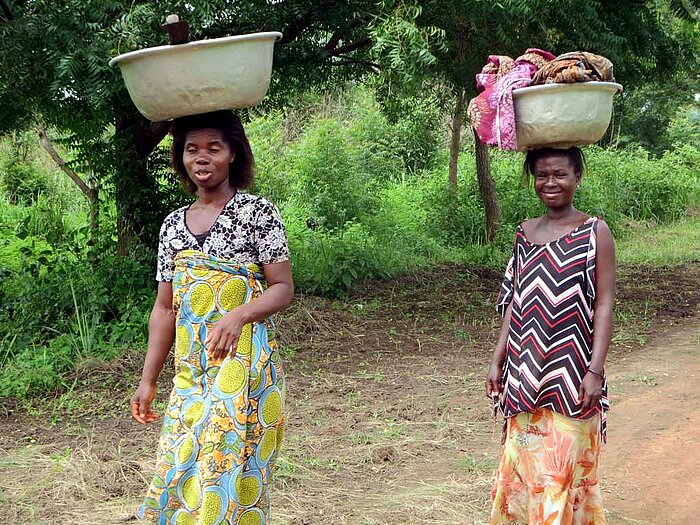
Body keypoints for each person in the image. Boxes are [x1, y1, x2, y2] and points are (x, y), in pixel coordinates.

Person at [130, 110, 294, 525]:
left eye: (213, 149)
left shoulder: (258, 213)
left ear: (233, 155)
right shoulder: (172, 227)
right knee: (180, 460)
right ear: (181, 159)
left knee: (227, 464)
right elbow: (165, 308)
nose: (201, 158)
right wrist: (149, 379)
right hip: (191, 371)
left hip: (243, 367)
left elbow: (282, 287)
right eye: (191, 150)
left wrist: (238, 315)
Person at [486, 147, 615, 524]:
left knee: (561, 471)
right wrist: (498, 359)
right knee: (524, 469)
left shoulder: (595, 232)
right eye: (542, 175)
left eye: (559, 174)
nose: (550, 183)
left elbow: (604, 305)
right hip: (524, 373)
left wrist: (595, 370)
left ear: (577, 177)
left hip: (572, 374)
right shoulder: (525, 233)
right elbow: (514, 302)